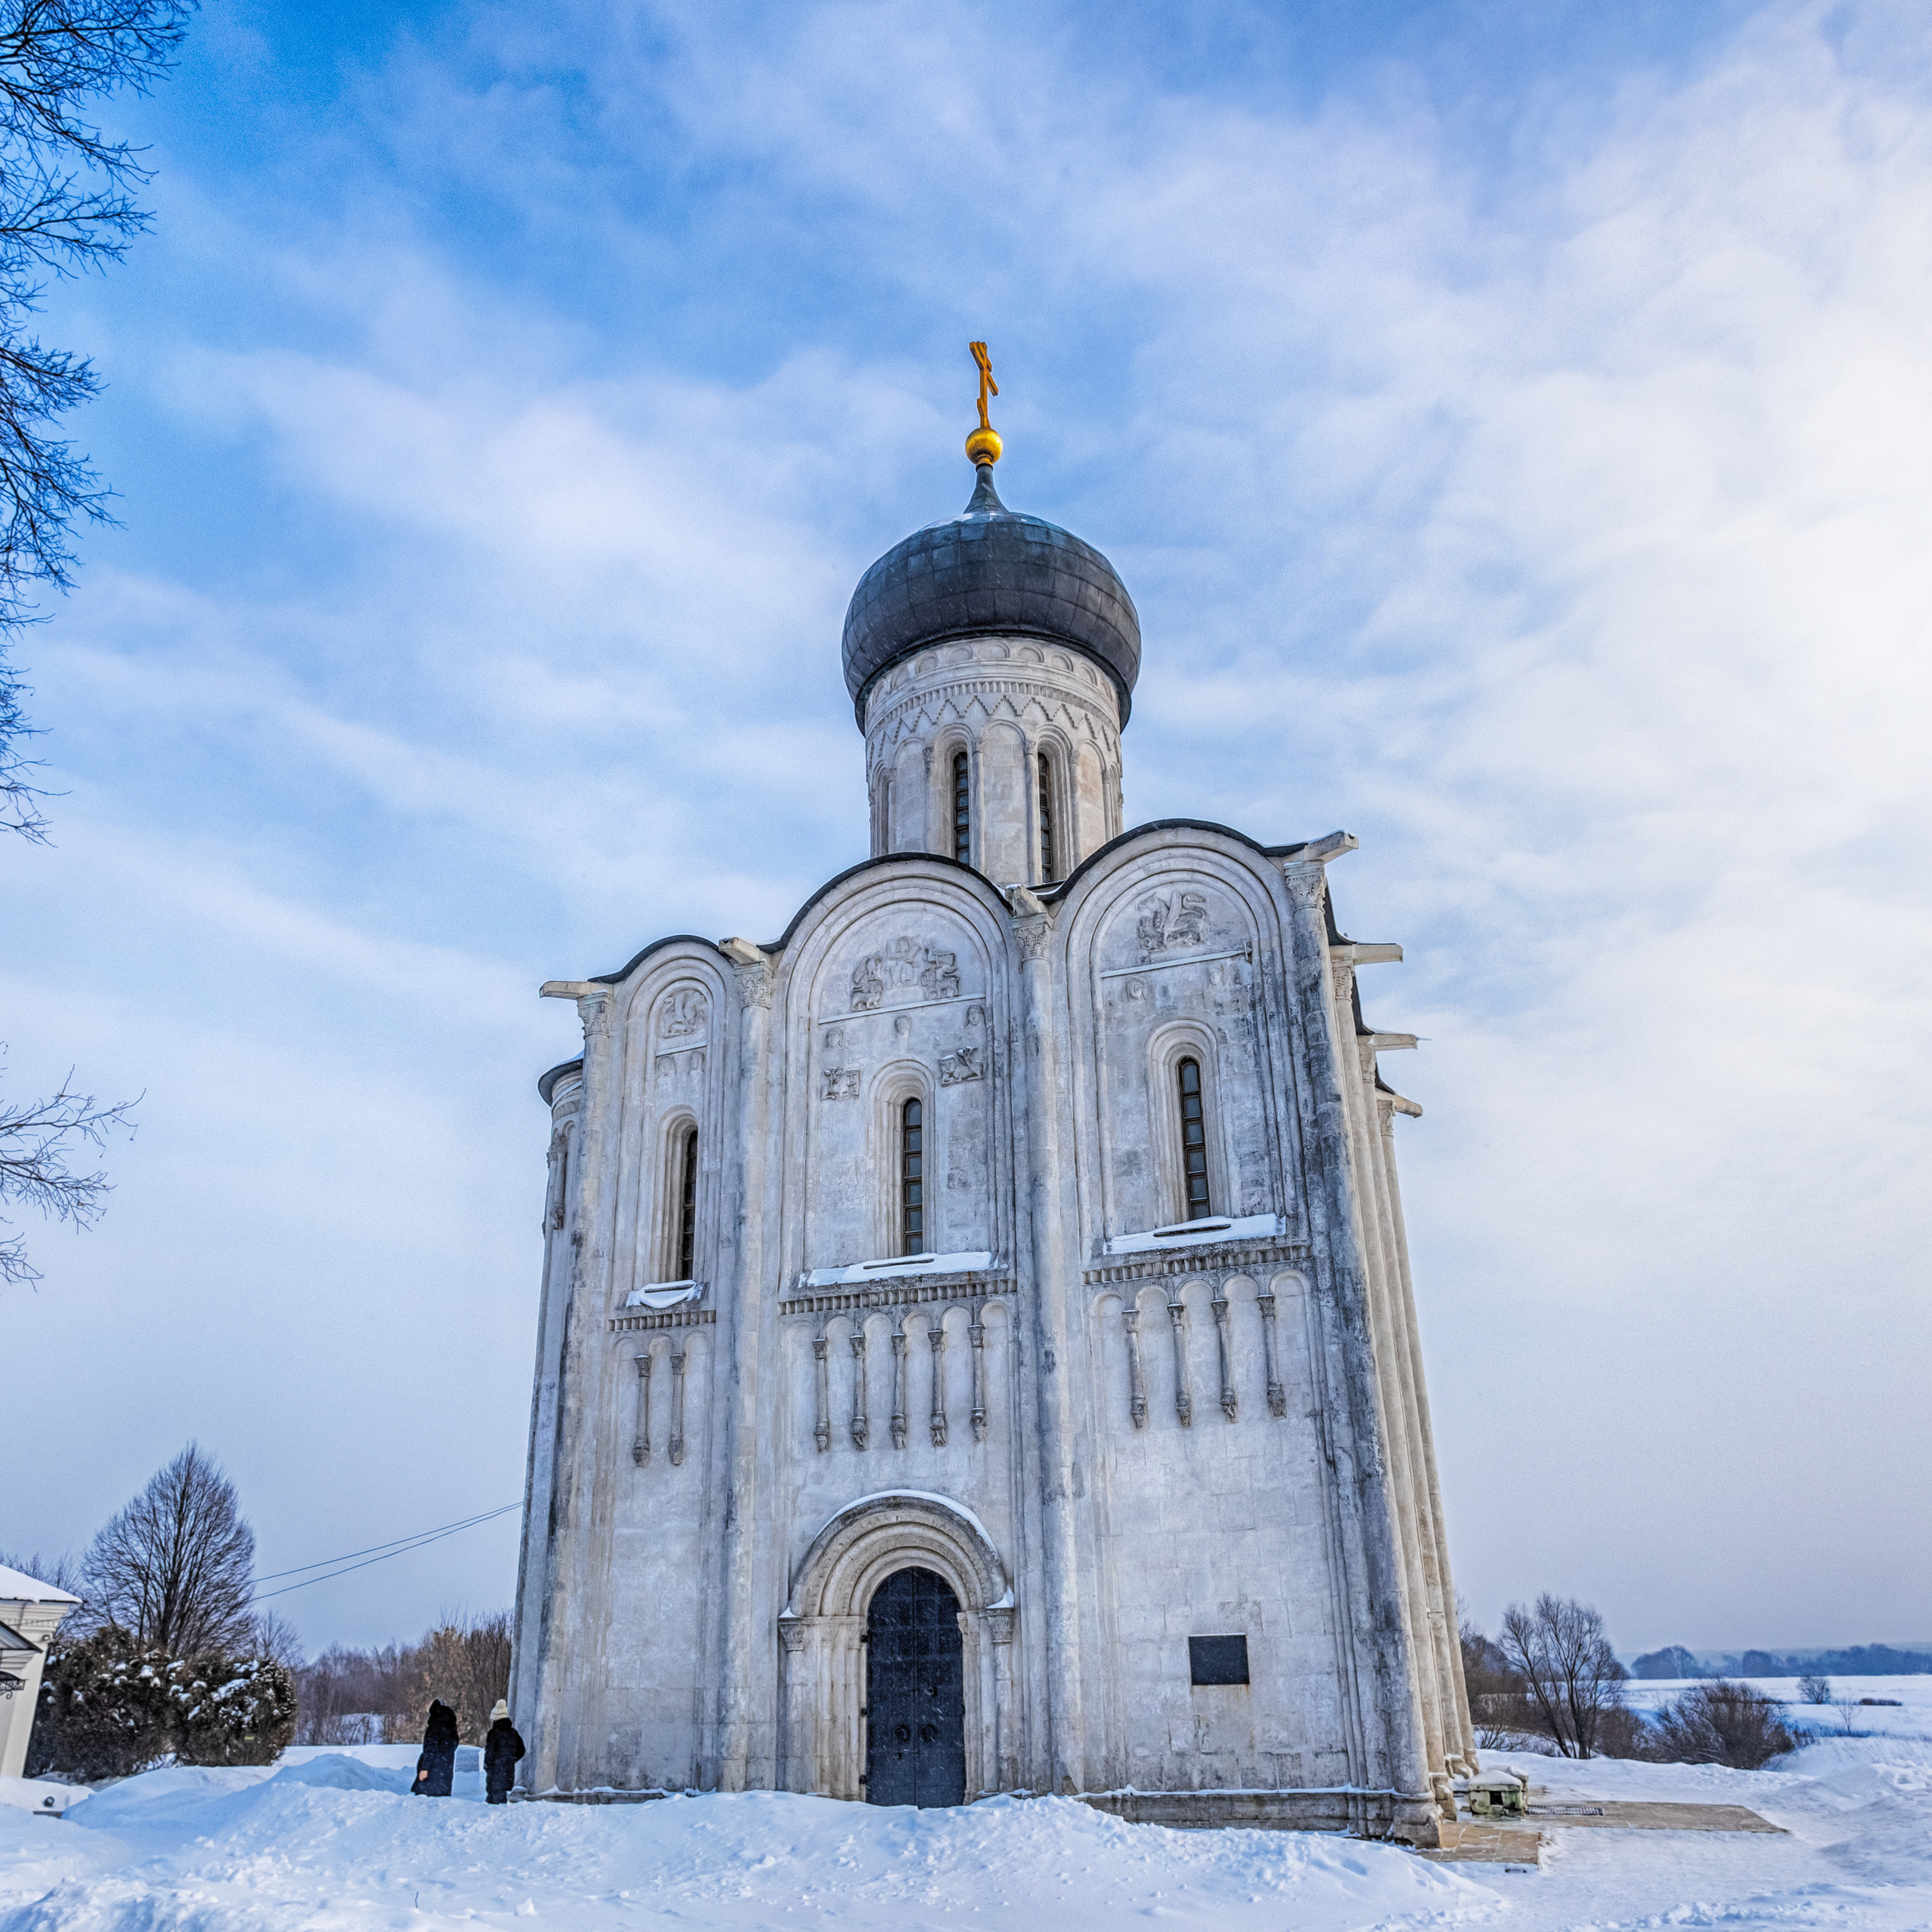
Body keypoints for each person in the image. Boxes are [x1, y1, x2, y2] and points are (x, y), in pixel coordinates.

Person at [411, 1699, 460, 1797]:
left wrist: (425, 1769)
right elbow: (454, 1745)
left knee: (425, 1803)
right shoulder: (451, 1726)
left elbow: (430, 1750)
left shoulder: (435, 1726)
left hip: (432, 1773)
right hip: (446, 1774)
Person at [483, 1699, 525, 1805]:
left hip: (495, 1772)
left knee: (494, 1801)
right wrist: (510, 1760)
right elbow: (521, 1750)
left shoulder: (493, 1734)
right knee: (501, 1798)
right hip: (508, 1771)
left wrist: (488, 1766)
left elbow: (490, 1753)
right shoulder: (513, 1733)